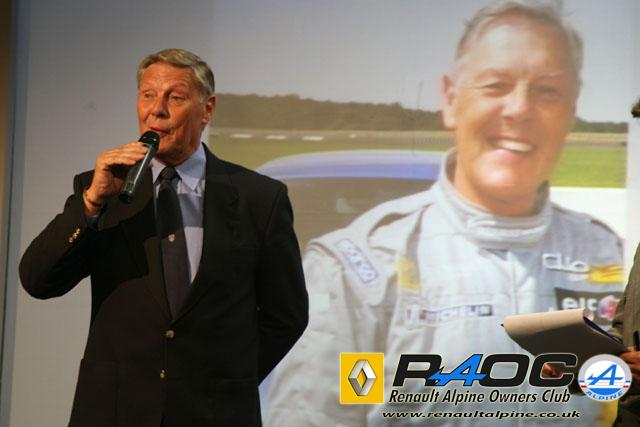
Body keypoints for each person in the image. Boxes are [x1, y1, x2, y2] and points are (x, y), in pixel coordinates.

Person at [266, 2, 623, 426]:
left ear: (571, 112)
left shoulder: (609, 257)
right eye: (496, 85)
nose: (519, 109)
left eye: (548, 91)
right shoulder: (357, 270)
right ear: (451, 99)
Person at [19, 48, 308, 427]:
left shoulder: (259, 198)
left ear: (207, 109)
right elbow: (38, 281)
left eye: (175, 97)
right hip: (115, 413)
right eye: (148, 95)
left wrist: (227, 381)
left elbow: (286, 316)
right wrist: (90, 205)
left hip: (214, 413)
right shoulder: (102, 190)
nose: (157, 110)